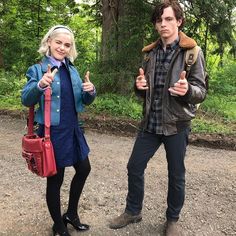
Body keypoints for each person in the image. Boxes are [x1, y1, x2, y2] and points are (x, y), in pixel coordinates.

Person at [109, 1, 207, 235]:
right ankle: (133, 211)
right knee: (134, 166)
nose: (163, 24)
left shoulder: (192, 52)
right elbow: (144, 87)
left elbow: (200, 91)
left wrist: (188, 91)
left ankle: (172, 219)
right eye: (159, 20)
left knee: (176, 175)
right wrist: (139, 86)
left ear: (179, 21)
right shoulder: (149, 53)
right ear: (155, 24)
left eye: (169, 19)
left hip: (176, 124)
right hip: (150, 123)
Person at [21, 25, 96, 236]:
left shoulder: (72, 70)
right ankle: (58, 224)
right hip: (52, 133)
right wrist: (40, 85)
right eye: (58, 43)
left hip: (73, 129)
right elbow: (26, 98)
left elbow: (83, 100)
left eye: (67, 45)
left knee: (84, 169)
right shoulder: (37, 69)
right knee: (56, 179)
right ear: (49, 43)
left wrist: (90, 91)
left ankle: (71, 213)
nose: (62, 48)